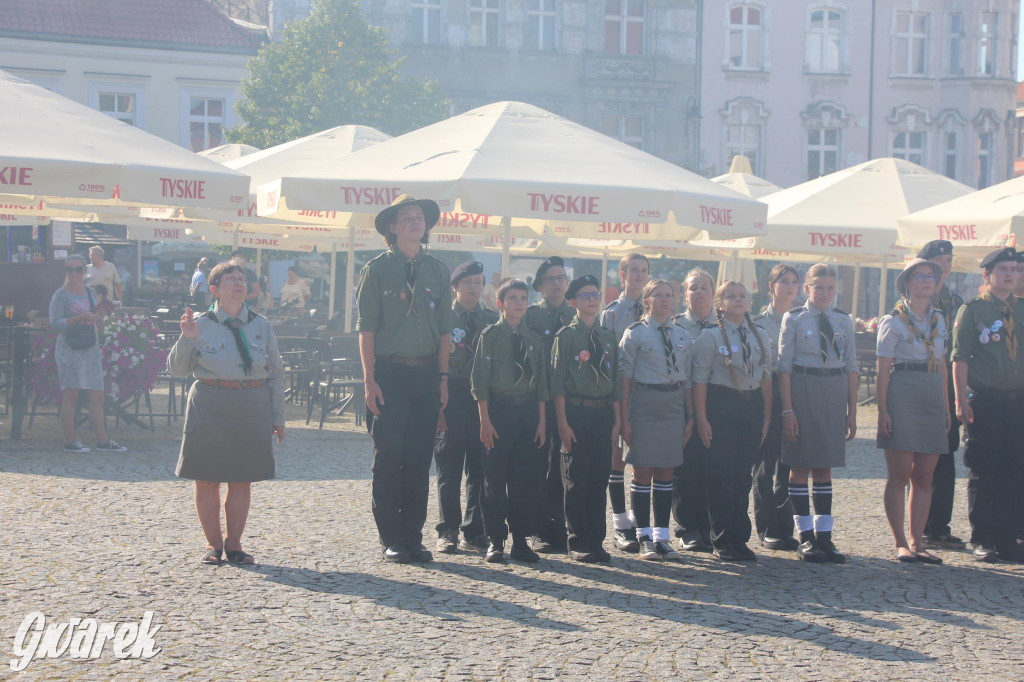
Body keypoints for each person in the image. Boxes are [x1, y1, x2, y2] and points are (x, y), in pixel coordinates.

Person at [168, 261, 285, 566]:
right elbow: (177, 370)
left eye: (242, 279)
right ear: (215, 289)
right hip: (210, 403)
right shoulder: (199, 323)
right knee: (207, 480)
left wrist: (278, 417)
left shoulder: (262, 325)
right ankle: (213, 544)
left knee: (242, 479)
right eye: (231, 279)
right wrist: (187, 337)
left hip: (252, 403)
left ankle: (234, 545)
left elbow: (276, 374)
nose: (239, 283)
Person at [357, 195, 451, 564]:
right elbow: (366, 328)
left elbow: (445, 329)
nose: (415, 222)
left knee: (418, 459)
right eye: (407, 217)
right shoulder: (376, 269)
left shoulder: (439, 270)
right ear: (392, 228)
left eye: (420, 217)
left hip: (427, 372)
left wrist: (443, 377)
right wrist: (369, 380)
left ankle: (414, 536)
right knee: (388, 457)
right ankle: (392, 538)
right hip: (389, 373)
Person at [778, 263, 858, 564]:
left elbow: (851, 366)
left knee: (825, 466)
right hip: (803, 388)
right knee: (800, 465)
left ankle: (825, 536)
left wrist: (851, 411)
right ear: (806, 288)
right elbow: (783, 367)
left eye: (830, 288)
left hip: (833, 391)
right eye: (818, 287)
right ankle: (805, 536)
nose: (824, 293)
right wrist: (788, 409)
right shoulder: (794, 318)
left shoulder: (842, 320)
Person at [951, 247, 1024, 563]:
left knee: (1013, 471)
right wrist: (959, 400)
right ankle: (983, 538)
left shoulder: (1020, 309)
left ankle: (1008, 539)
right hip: (985, 400)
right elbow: (959, 358)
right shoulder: (973, 310)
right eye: (1003, 269)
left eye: (1014, 269)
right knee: (983, 470)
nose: (1010, 274)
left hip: (1017, 402)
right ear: (987, 275)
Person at [693, 281, 772, 561]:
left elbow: (766, 378)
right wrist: (701, 418)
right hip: (720, 404)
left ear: (750, 302)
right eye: (731, 296)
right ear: (720, 303)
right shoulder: (710, 337)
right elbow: (699, 380)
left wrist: (766, 417)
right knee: (720, 473)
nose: (738, 300)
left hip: (751, 407)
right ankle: (722, 537)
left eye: (743, 296)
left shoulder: (760, 334)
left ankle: (740, 535)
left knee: (742, 475)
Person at [876, 259, 948, 564]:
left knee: (925, 474)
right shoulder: (892, 320)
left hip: (931, 392)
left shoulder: (940, 319)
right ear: (907, 283)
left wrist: (945, 406)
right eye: (920, 277)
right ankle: (900, 542)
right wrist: (883, 410)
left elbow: (943, 364)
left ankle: (918, 541)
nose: (927, 281)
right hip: (903, 389)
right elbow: (882, 370)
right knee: (900, 473)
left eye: (931, 277)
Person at [472, 279, 548, 564]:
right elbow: (479, 381)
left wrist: (541, 422)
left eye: (523, 298)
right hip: (498, 412)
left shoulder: (534, 338)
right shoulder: (490, 335)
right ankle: (495, 540)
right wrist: (484, 421)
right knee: (494, 479)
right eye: (512, 298)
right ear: (501, 304)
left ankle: (519, 540)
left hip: (527, 413)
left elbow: (541, 383)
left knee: (524, 480)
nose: (519, 303)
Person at [619, 279, 693, 562]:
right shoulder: (636, 333)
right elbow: (624, 377)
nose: (664, 299)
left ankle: (663, 537)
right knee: (643, 472)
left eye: (669, 294)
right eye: (658, 295)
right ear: (646, 301)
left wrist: (690, 416)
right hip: (644, 403)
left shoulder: (682, 335)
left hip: (673, 404)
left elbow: (687, 380)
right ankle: (644, 536)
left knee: (666, 472)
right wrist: (624, 417)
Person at [551, 275, 621, 562]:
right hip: (576, 412)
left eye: (595, 294)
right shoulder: (566, 336)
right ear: (573, 302)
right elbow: (556, 383)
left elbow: (615, 381)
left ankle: (596, 538)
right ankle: (578, 539)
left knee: (598, 478)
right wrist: (563, 423)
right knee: (576, 478)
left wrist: (617, 420)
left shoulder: (607, 337)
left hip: (603, 412)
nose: (592, 299)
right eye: (585, 295)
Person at [434, 261, 497, 554]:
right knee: (448, 467)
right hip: (453, 395)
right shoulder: (443, 317)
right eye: (468, 282)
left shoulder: (491, 319)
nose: (474, 287)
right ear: (455, 286)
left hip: (482, 400)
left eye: (478, 282)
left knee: (480, 469)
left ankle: (475, 530)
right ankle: (447, 530)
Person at [49, 254, 127, 454]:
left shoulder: (91, 294)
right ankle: (70, 441)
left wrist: (99, 318)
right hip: (69, 348)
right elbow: (54, 323)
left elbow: (96, 321)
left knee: (96, 396)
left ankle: (103, 441)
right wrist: (81, 317)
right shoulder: (60, 295)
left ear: (85, 271)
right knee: (71, 395)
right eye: (70, 269)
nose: (74, 273)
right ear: (66, 271)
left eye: (78, 269)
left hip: (90, 347)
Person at [917, 240, 967, 550]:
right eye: (939, 260)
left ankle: (939, 525)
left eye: (948, 260)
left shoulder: (957, 302)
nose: (945, 265)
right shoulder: (912, 301)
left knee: (946, 455)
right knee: (918, 455)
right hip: (918, 381)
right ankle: (918, 523)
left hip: (947, 383)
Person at [524, 256, 575, 553]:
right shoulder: (531, 317)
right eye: (551, 279)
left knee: (566, 467)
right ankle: (540, 528)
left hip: (570, 401)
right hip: (538, 403)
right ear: (540, 286)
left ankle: (566, 528)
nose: (557, 283)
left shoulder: (577, 314)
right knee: (539, 466)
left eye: (561, 278)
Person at [600, 252, 650, 553]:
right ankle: (621, 525)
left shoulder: (654, 308)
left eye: (644, 270)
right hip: (619, 393)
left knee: (643, 461)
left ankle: (637, 520)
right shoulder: (612, 313)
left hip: (647, 394)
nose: (639, 275)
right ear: (623, 275)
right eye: (634, 270)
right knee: (617, 458)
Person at [752, 264, 801, 551]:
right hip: (768, 393)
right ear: (771, 286)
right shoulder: (758, 323)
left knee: (790, 464)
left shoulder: (801, 320)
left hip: (794, 394)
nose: (790, 286)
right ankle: (767, 527)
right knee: (764, 466)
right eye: (784, 281)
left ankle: (786, 526)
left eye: (794, 281)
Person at [673, 267, 718, 552]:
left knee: (713, 467)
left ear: (714, 293)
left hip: (717, 402)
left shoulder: (725, 325)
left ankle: (711, 525)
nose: (699, 292)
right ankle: (687, 527)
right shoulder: (676, 326)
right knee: (685, 468)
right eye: (693, 287)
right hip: (681, 404)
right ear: (684, 292)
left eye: (704, 287)